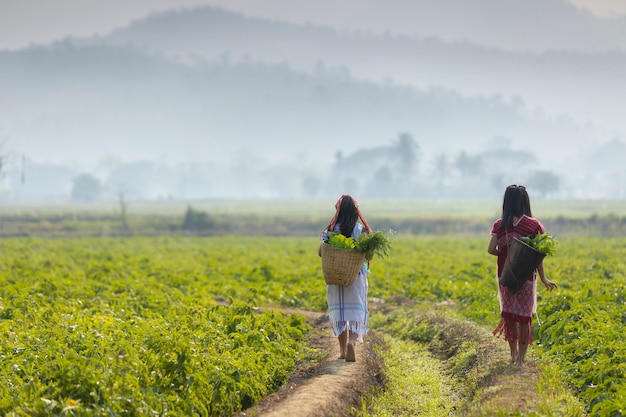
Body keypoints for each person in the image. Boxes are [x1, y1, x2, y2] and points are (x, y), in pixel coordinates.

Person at [487, 185, 557, 366]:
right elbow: (538, 255)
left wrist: (506, 254)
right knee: (525, 317)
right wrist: (544, 278)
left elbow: (491, 249)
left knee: (509, 315)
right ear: (525, 201)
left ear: (507, 202)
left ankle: (513, 354)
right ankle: (522, 360)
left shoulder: (499, 225)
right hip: (527, 278)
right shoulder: (534, 226)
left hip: (506, 276)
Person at [318, 195, 371, 362]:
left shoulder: (331, 230)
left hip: (335, 278)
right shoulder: (360, 230)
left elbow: (321, 252)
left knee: (339, 311)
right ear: (355, 211)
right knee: (357, 310)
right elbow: (369, 254)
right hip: (355, 277)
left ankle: (342, 350)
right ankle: (352, 343)